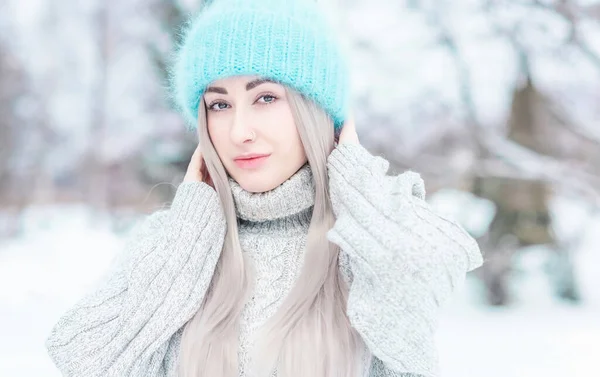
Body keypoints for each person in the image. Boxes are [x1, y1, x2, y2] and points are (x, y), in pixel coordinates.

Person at [45, 0, 484, 376]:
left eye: (266, 98)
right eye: (219, 105)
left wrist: (355, 177)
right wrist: (193, 229)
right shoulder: (176, 243)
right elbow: (82, 356)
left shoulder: (366, 238)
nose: (239, 131)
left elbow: (419, 273)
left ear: (316, 111)